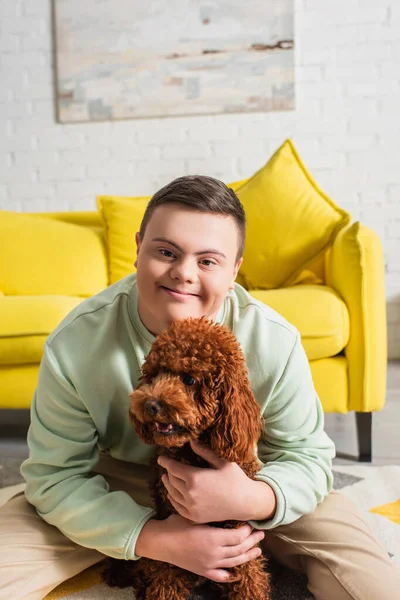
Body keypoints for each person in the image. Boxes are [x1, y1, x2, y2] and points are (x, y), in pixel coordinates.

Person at [0, 175, 398, 600]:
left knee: (375, 587)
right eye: (166, 252)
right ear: (138, 250)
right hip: (118, 481)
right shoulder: (76, 341)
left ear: (234, 272)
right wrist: (153, 538)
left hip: (246, 475)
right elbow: (55, 476)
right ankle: (124, 552)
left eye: (208, 261)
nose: (183, 273)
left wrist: (252, 499)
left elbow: (308, 458)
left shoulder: (274, 340)